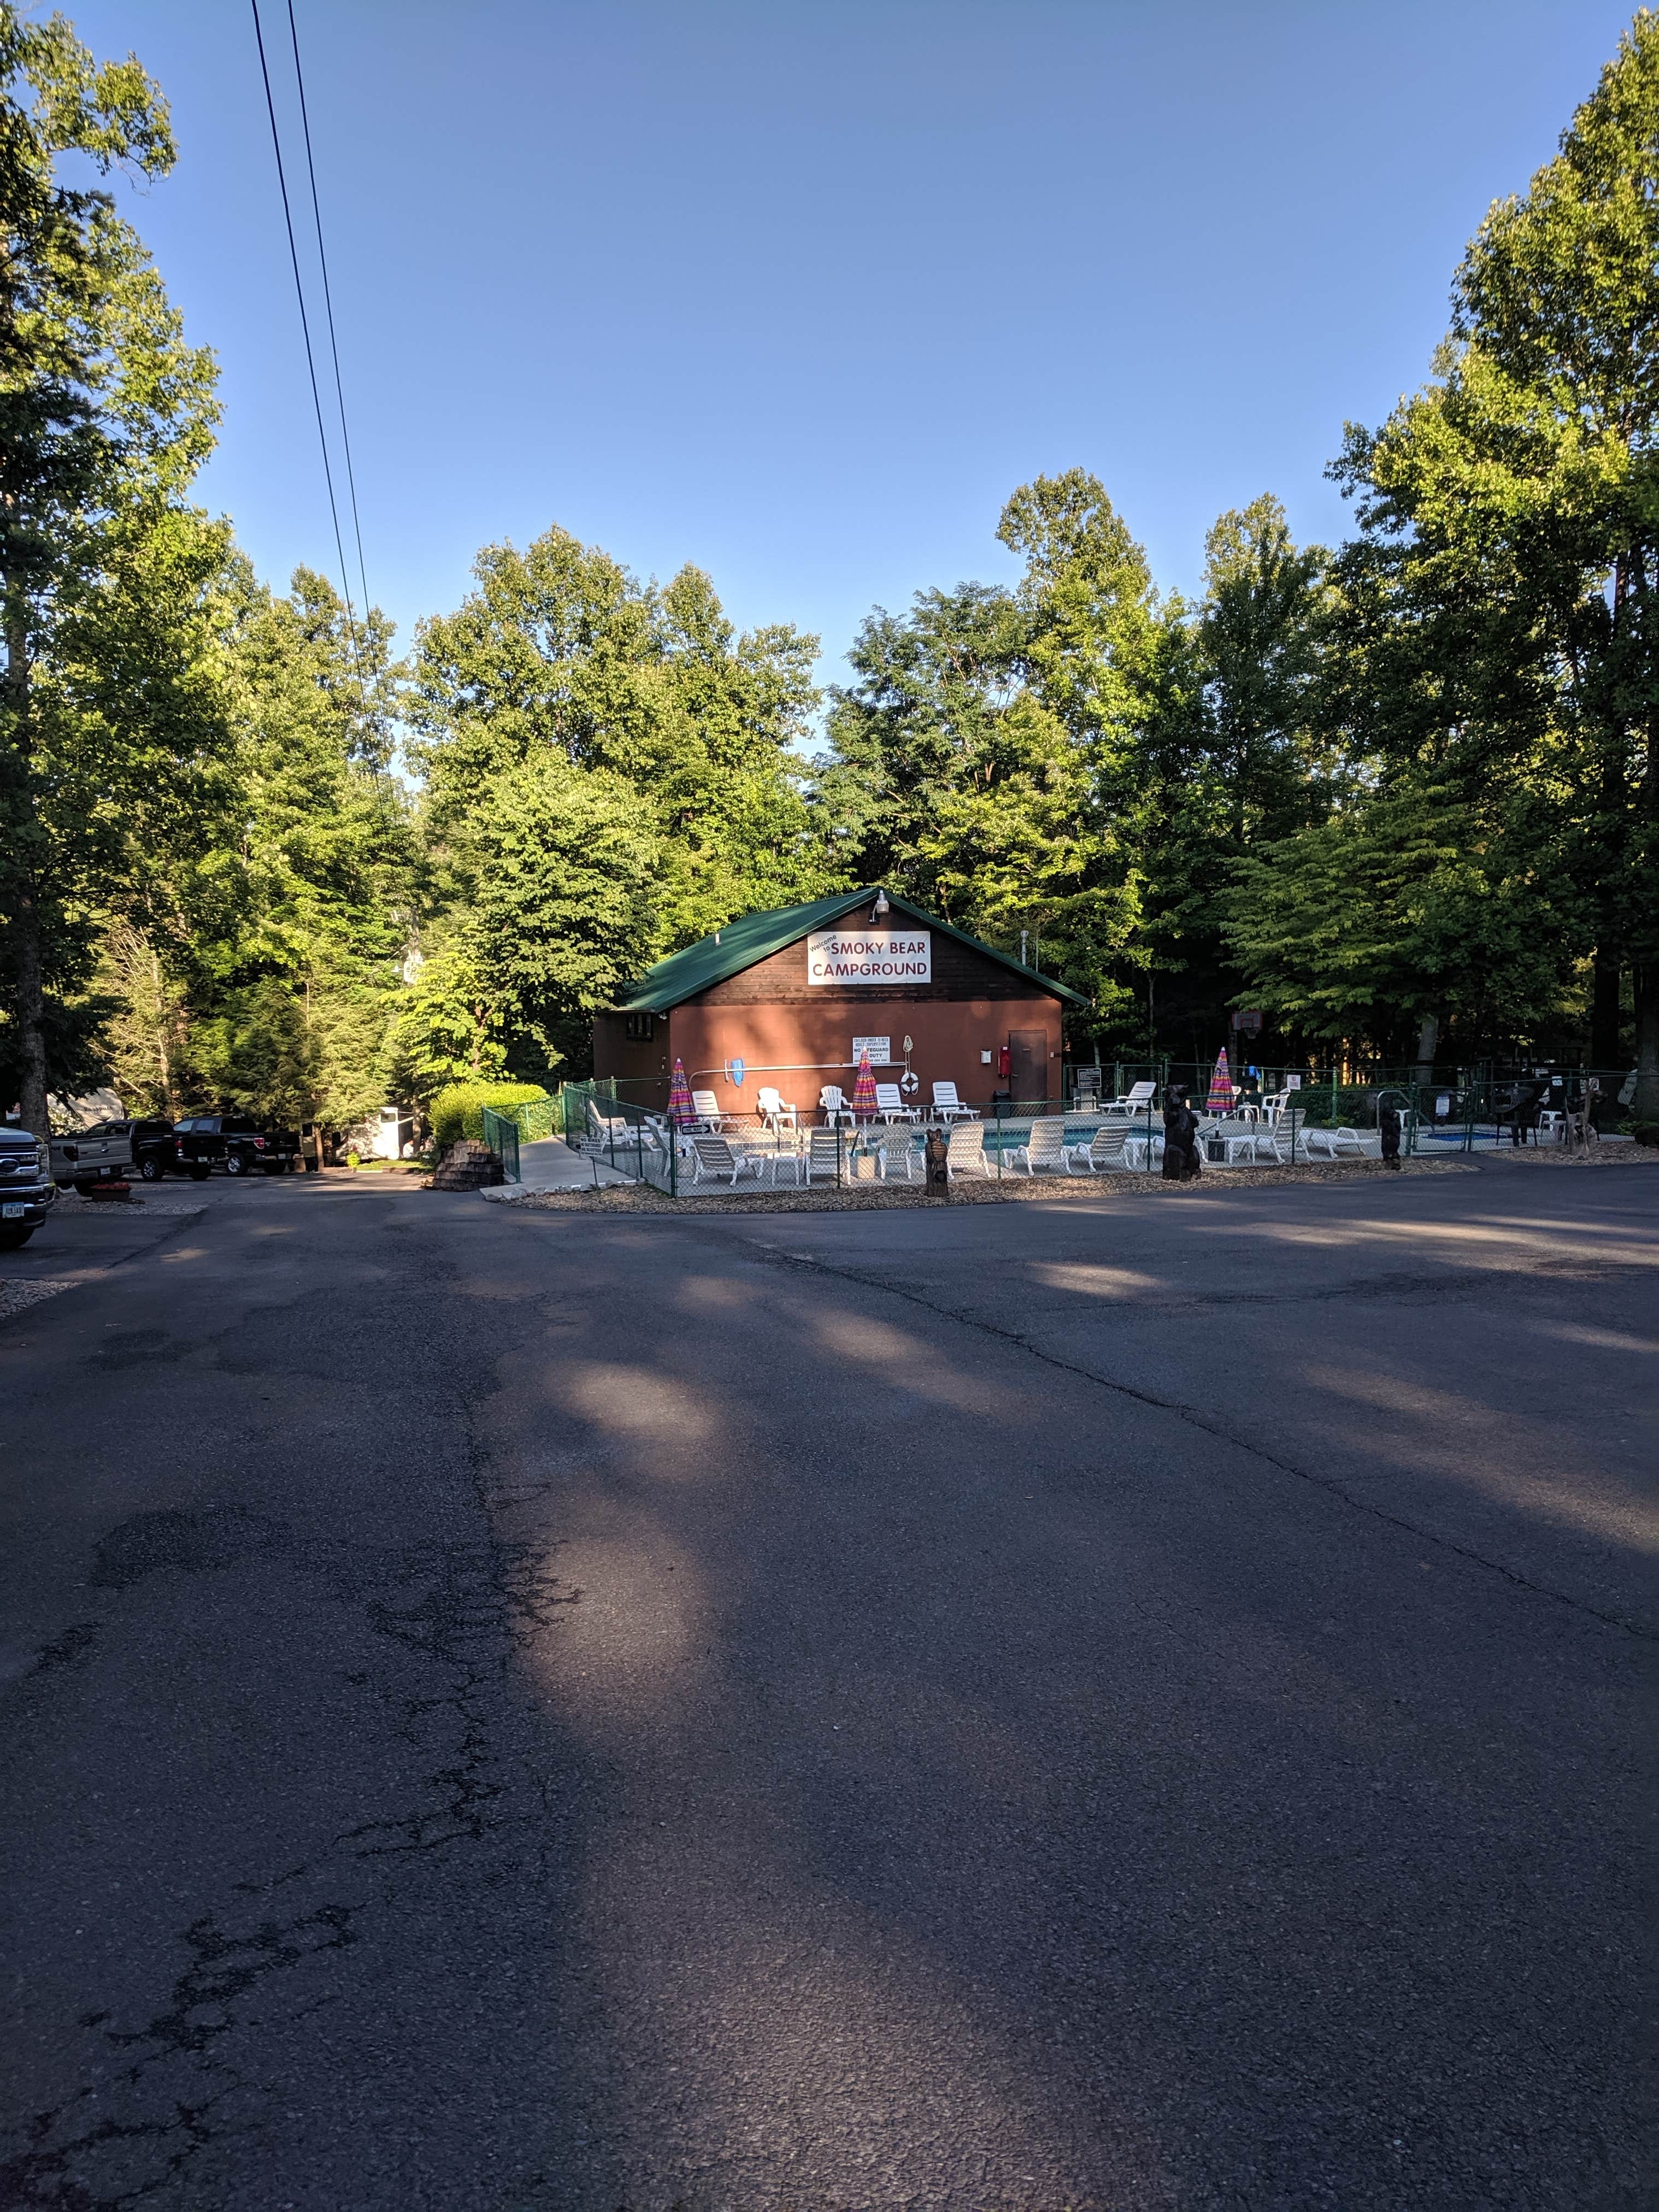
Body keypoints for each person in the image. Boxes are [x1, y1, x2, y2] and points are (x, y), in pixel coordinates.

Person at [1161, 1084, 1202, 1180]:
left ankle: (1194, 1171)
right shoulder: (1171, 1113)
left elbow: (1195, 1123)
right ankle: (1179, 1174)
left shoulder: (1185, 1111)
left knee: (1194, 1152)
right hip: (1177, 1147)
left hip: (1188, 1147)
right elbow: (1169, 1120)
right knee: (1176, 1153)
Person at [1379, 1102, 1403, 1169]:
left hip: (1394, 1136)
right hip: (1388, 1135)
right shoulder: (1386, 1122)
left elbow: (1398, 1128)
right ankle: (1389, 1161)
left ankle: (1394, 1160)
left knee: (1393, 1146)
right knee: (1388, 1146)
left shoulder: (1395, 1120)